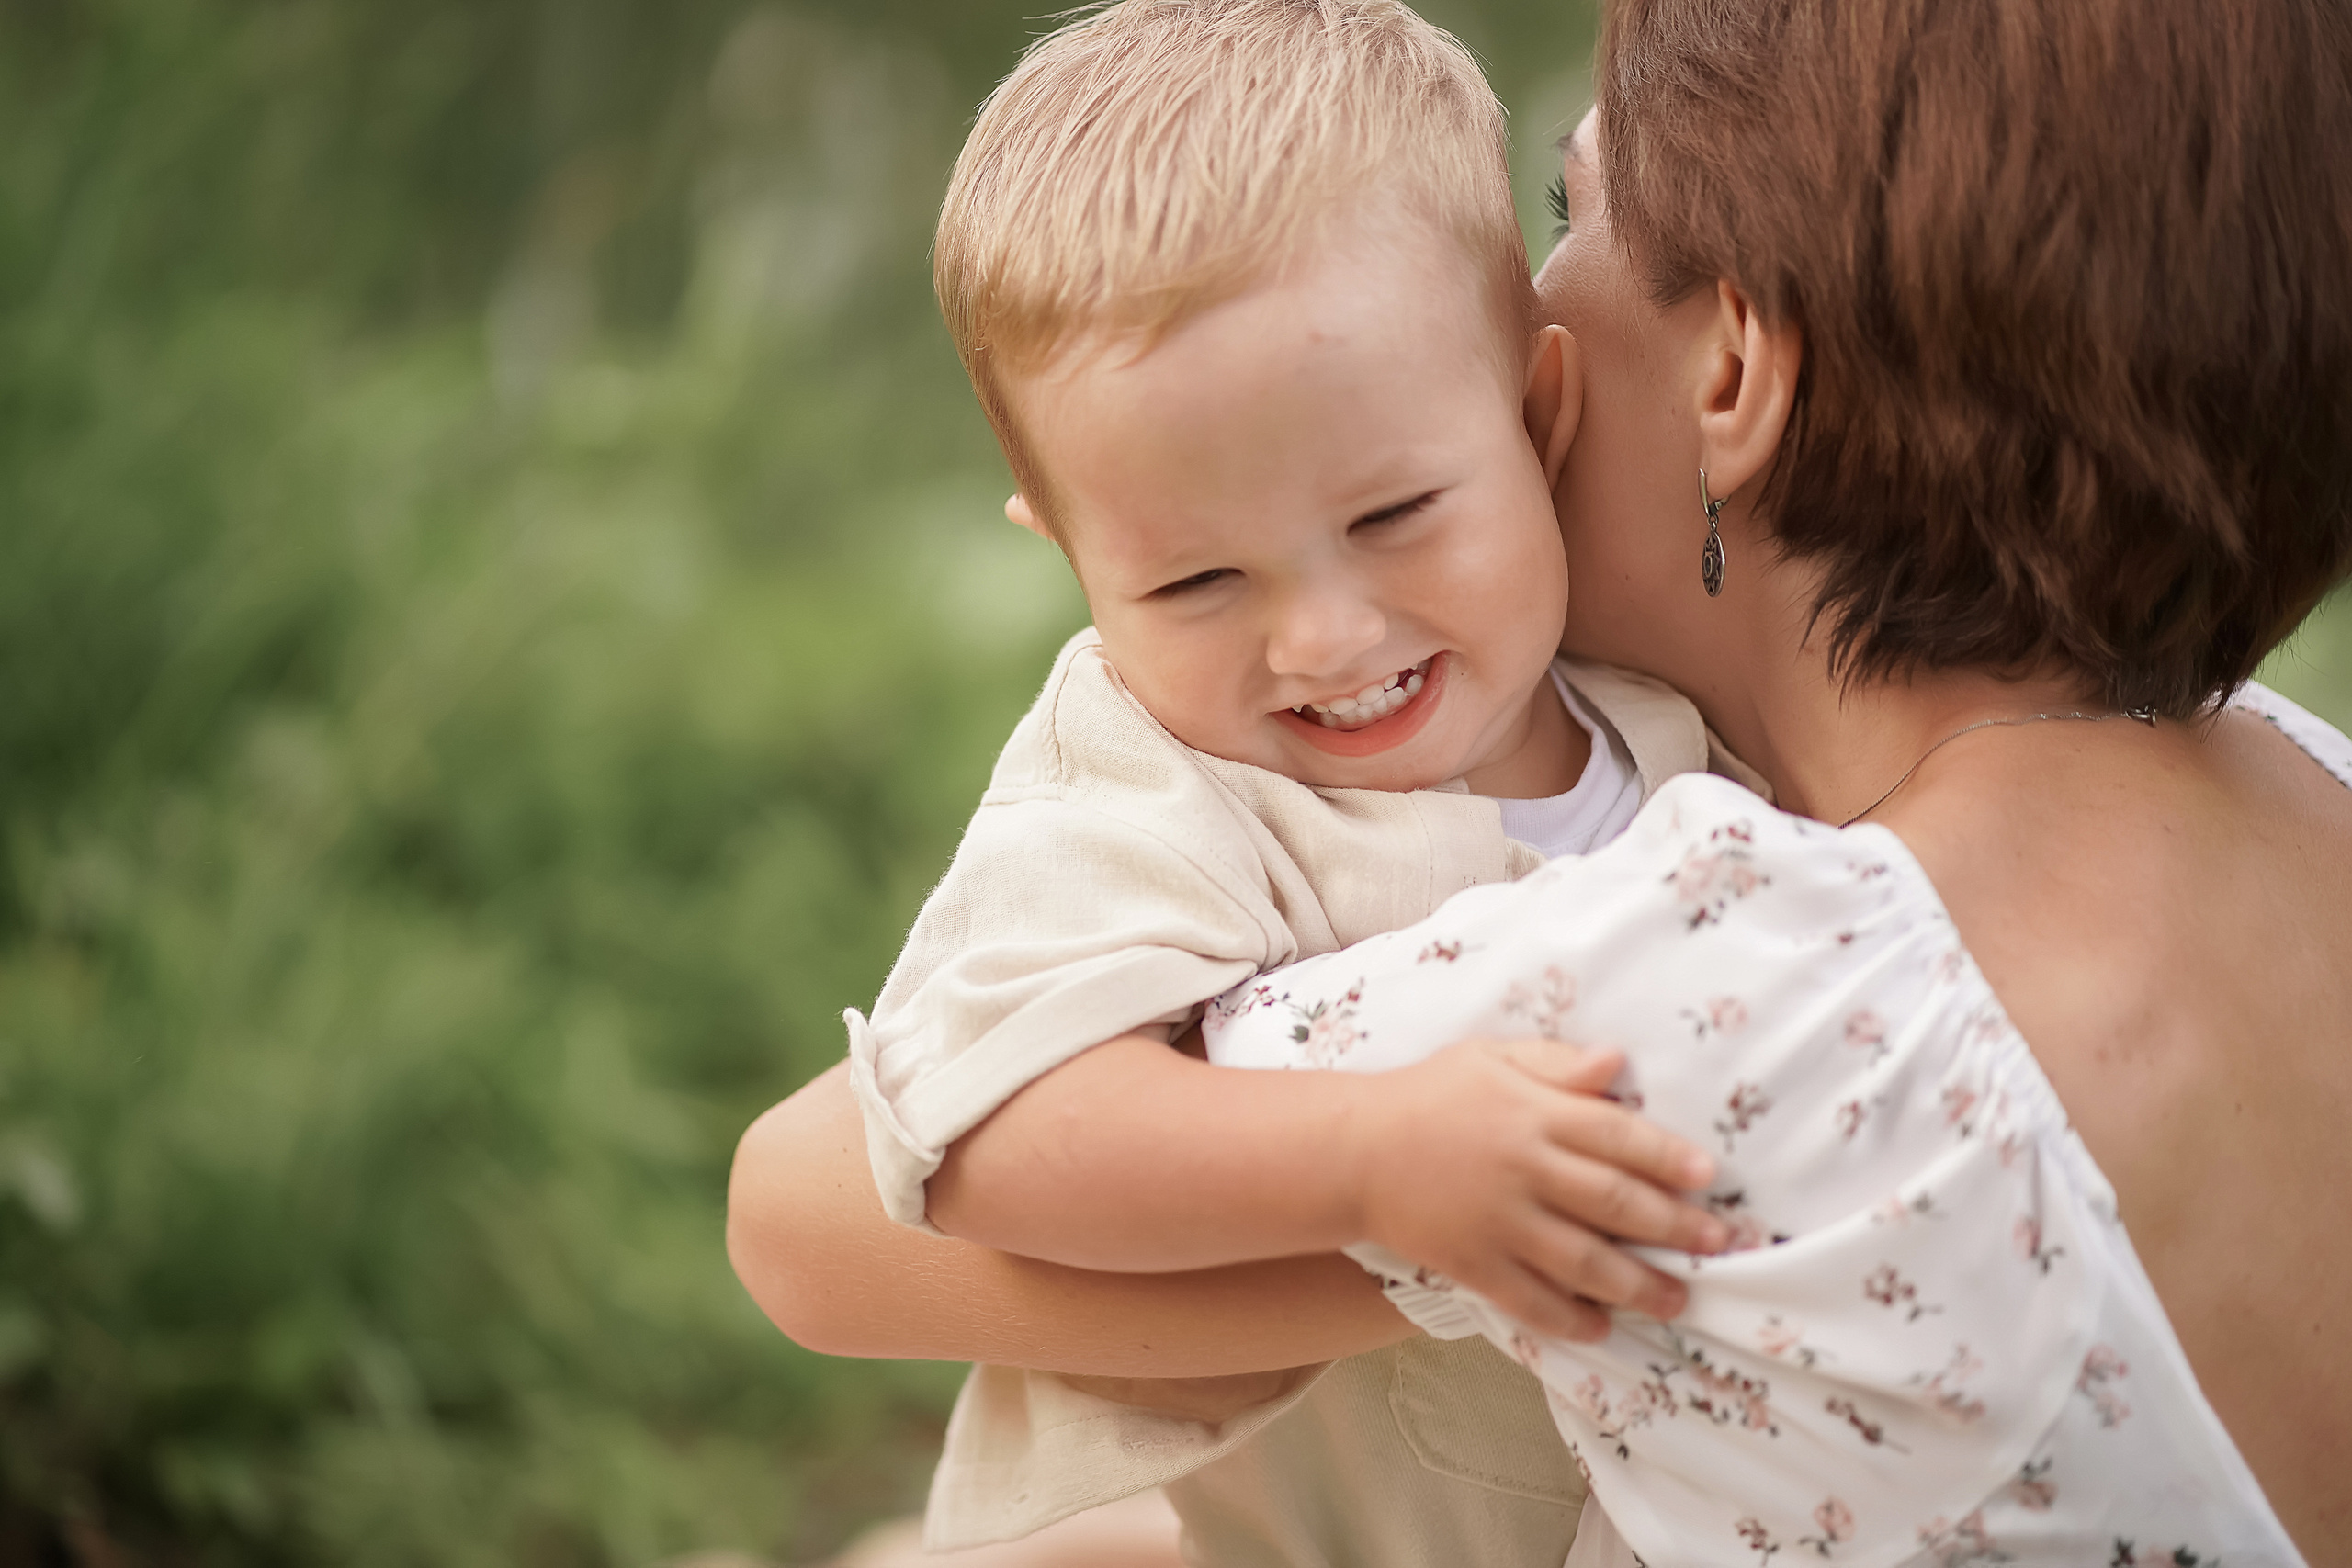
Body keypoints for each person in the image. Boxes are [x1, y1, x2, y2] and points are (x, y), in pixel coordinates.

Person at [731, 0, 2352, 1560]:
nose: (1531, 304)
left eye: (1567, 208)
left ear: (1730, 374)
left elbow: (806, 1215)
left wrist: (1431, 1239)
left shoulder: (1742, 995)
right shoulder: (2301, 779)